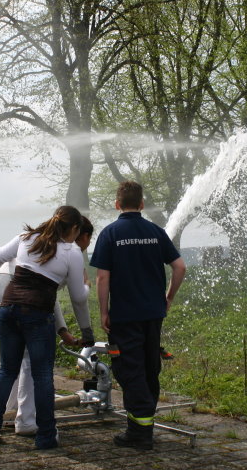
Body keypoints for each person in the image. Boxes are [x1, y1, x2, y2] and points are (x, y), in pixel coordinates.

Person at [0, 206, 94, 450]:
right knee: (42, 375)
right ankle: (45, 436)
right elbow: (78, 298)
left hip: (8, 309)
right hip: (36, 315)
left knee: (6, 371)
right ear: (74, 229)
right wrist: (87, 326)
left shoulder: (27, 238)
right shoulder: (71, 251)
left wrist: (17, 260)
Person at [91, 181, 186, 450]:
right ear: (142, 204)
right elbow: (180, 267)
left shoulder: (110, 234)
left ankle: (139, 433)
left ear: (117, 204)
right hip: (153, 315)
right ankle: (145, 425)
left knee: (129, 370)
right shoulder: (156, 232)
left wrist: (104, 312)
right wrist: (168, 298)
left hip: (125, 316)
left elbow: (102, 277)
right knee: (149, 368)